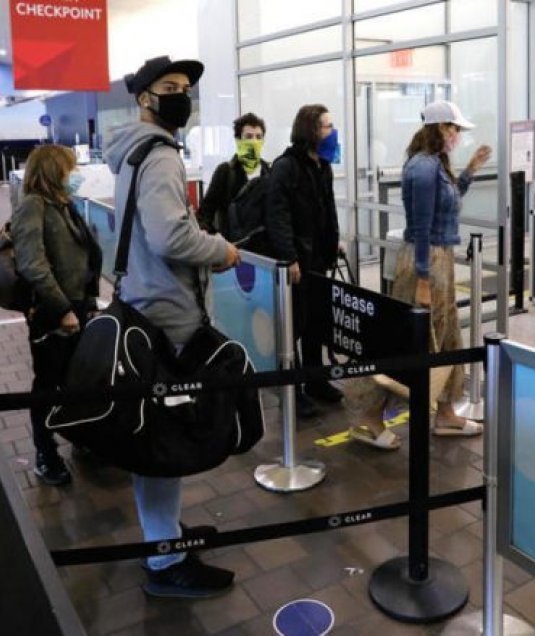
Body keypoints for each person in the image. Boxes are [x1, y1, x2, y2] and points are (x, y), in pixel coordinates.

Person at [104, 55, 241, 598]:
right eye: (169, 87)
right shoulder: (158, 155)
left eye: (185, 88)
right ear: (144, 98)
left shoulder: (131, 153)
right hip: (166, 312)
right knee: (164, 442)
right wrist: (221, 250)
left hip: (143, 300)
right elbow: (170, 239)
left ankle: (167, 536)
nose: (180, 95)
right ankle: (166, 561)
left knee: (156, 436)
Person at [344, 100, 491, 449]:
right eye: (454, 128)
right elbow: (422, 227)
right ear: (438, 128)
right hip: (426, 262)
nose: (457, 135)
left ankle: (445, 412)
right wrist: (424, 279)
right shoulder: (424, 169)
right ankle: (369, 418)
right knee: (410, 341)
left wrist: (470, 169)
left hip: (436, 259)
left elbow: (449, 201)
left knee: (444, 335)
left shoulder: (433, 164)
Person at [11, 145, 102, 486]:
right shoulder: (33, 207)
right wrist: (63, 309)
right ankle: (44, 453)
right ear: (52, 171)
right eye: (70, 168)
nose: (75, 174)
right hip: (53, 313)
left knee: (76, 378)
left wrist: (88, 301)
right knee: (48, 384)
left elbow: (83, 255)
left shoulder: (63, 205)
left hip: (76, 306)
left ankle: (80, 438)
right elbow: (33, 265)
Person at [264, 104, 343, 417]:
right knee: (293, 326)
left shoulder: (323, 165)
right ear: (310, 129)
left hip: (318, 260)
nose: (331, 131)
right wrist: (289, 258)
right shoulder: (287, 166)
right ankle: (293, 390)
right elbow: (277, 215)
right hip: (296, 263)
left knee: (317, 324)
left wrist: (333, 242)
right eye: (326, 125)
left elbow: (328, 210)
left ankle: (316, 380)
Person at [197, 112, 269, 236]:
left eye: (258, 137)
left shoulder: (269, 172)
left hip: (263, 249)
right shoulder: (225, 172)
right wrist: (217, 242)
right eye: (249, 136)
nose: (254, 141)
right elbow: (205, 214)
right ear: (238, 140)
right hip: (233, 248)